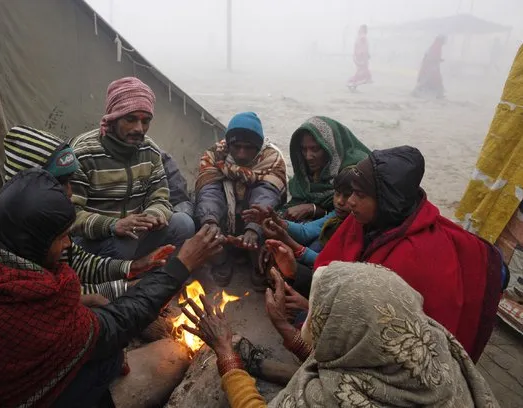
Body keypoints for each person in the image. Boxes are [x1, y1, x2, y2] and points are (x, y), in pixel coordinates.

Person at [0, 168, 225, 407]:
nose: (69, 242)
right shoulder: (33, 309)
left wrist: (91, 294)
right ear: (33, 243)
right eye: (61, 237)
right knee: (107, 358)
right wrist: (180, 265)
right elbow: (117, 324)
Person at [180, 262, 499, 408]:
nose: (311, 313)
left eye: (318, 312)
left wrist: (226, 355)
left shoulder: (330, 397)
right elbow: (354, 361)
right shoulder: (434, 340)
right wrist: (288, 332)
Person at [315, 145, 503, 362]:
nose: (349, 202)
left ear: (386, 200)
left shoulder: (413, 255)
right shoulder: (365, 220)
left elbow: (389, 338)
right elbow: (329, 265)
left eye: (359, 194)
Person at [0, 125, 171, 301]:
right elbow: (52, 297)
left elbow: (75, 261)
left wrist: (133, 267)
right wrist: (123, 289)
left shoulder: (40, 218)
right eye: (60, 182)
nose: (70, 191)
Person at [70, 76, 195, 260]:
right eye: (131, 119)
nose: (139, 128)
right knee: (123, 243)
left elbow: (160, 198)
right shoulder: (83, 153)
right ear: (113, 118)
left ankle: (156, 276)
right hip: (92, 242)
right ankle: (114, 284)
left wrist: (154, 215)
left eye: (146, 121)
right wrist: (113, 225)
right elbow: (69, 215)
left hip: (133, 233)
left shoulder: (149, 150)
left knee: (184, 224)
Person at [195, 112, 287, 287]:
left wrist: (254, 227)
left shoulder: (272, 159)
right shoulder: (214, 156)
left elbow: (267, 194)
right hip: (225, 220)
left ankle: (259, 264)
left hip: (254, 222)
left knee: (268, 216)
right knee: (204, 214)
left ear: (258, 147)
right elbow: (209, 191)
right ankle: (222, 260)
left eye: (248, 147)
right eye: (236, 147)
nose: (242, 154)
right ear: (229, 144)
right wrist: (210, 221)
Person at [283, 116, 369, 221]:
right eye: (303, 149)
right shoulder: (305, 176)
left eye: (314, 149)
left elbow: (354, 213)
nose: (308, 156)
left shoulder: (357, 172)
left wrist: (314, 209)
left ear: (330, 148)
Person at [347, 24, 373, 92]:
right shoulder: (362, 37)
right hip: (361, 57)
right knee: (362, 71)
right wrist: (364, 55)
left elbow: (358, 47)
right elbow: (363, 48)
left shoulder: (359, 37)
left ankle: (354, 82)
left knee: (361, 70)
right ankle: (353, 82)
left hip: (358, 56)